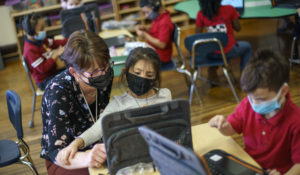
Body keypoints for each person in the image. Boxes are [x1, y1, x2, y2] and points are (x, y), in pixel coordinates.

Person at [55, 47, 172, 166]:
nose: (143, 78)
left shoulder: (165, 95)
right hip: (135, 160)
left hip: (162, 155)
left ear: (155, 77)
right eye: (137, 73)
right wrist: (76, 143)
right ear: (125, 72)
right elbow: (97, 129)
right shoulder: (118, 104)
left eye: (149, 74)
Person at [209, 49, 300, 175]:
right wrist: (222, 126)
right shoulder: (247, 104)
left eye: (261, 99)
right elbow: (231, 129)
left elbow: (298, 164)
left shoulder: (296, 121)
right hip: (248, 166)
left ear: (283, 91)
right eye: (250, 97)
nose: (254, 103)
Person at [40, 30, 114, 175]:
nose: (103, 74)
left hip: (97, 144)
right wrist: (87, 157)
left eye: (105, 67)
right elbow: (56, 152)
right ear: (74, 72)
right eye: (94, 72)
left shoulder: (105, 75)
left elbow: (101, 117)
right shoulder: (58, 91)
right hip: (68, 158)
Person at [196, 0, 252, 82]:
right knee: (247, 47)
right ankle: (243, 78)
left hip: (210, 53)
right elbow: (238, 28)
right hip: (228, 51)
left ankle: (212, 74)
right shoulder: (229, 9)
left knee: (214, 49)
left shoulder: (200, 14)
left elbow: (197, 37)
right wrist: (234, 16)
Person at [22, 13, 67, 90]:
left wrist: (71, 39)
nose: (44, 30)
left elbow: (55, 43)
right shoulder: (29, 50)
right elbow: (43, 69)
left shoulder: (41, 40)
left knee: (72, 70)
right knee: (71, 77)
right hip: (44, 81)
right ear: (31, 32)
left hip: (52, 73)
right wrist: (55, 54)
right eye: (41, 28)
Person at [135, 0, 174, 69]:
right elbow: (156, 34)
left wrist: (145, 35)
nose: (146, 16)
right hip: (154, 51)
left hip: (160, 58)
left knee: (134, 62)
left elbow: (162, 44)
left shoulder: (164, 22)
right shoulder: (158, 17)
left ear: (155, 8)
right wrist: (146, 30)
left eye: (147, 12)